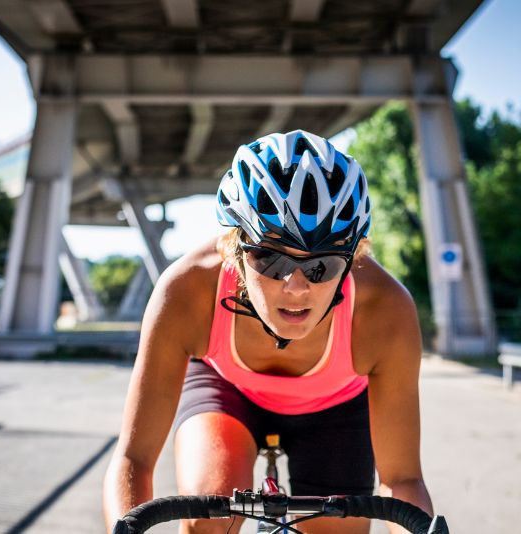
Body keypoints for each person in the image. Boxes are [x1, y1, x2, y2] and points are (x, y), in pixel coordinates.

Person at [103, 130, 433, 534]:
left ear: (353, 259)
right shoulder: (186, 291)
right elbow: (133, 459)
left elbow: (402, 479)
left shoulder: (385, 310)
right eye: (271, 258)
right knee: (210, 519)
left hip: (334, 410)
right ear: (235, 247)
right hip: (227, 391)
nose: (296, 286)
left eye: (322, 265)